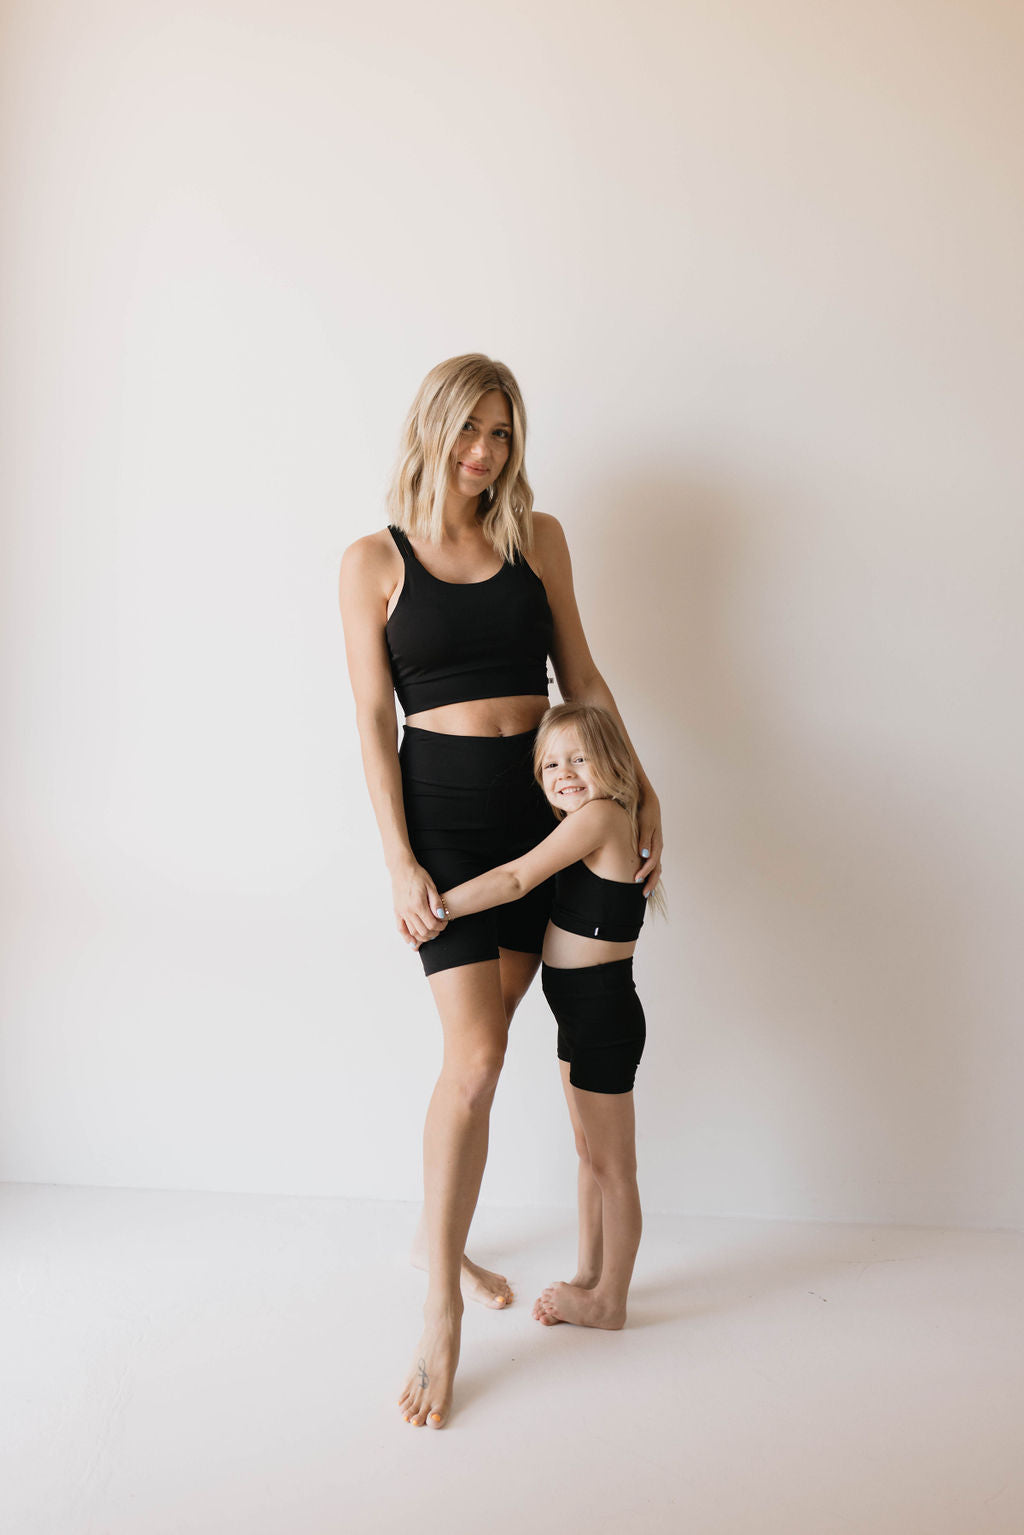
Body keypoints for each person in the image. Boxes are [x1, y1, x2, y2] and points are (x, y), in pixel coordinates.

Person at [338, 354, 662, 1430]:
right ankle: (439, 1300)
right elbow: (372, 726)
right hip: (446, 821)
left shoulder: (539, 537)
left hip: (546, 816)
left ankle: (447, 1233)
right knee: (471, 1058)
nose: (484, 452)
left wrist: (636, 781)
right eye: (469, 429)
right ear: (430, 426)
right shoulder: (371, 561)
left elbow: (585, 672)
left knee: (498, 1045)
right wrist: (397, 858)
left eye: (502, 434)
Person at [425, 702, 660, 1334]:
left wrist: (436, 909)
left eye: (580, 757)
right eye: (551, 762)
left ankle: (611, 1299)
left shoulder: (604, 817)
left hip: (603, 1014)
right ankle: (588, 1275)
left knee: (614, 1167)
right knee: (588, 1155)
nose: (564, 772)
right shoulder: (587, 821)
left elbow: (514, 879)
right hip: (579, 1013)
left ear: (612, 761)